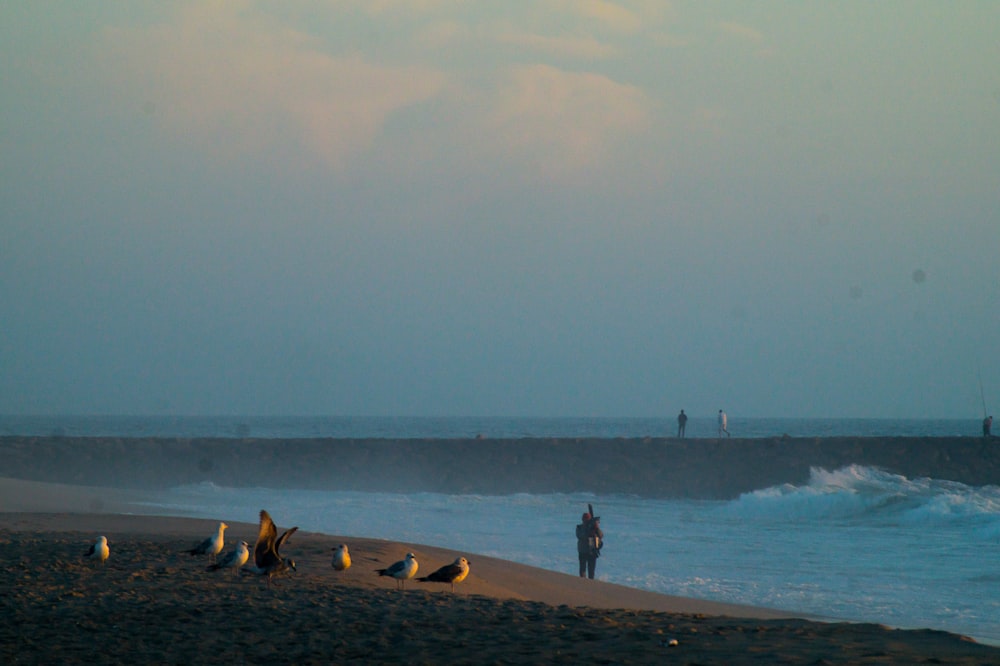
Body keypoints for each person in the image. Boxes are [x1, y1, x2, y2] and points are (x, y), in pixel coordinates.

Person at [576, 512, 603, 579]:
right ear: (582, 519)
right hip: (583, 551)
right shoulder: (579, 527)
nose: (586, 521)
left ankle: (590, 583)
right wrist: (588, 531)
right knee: (582, 570)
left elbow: (601, 536)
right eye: (585, 519)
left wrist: (596, 528)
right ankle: (583, 584)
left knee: (591, 572)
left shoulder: (594, 528)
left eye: (587, 519)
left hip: (592, 551)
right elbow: (580, 536)